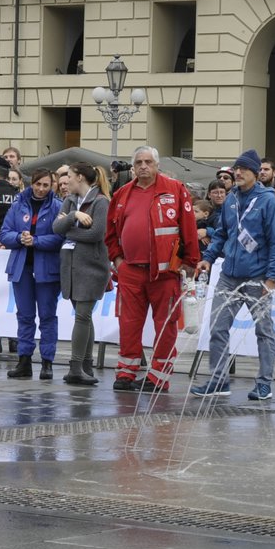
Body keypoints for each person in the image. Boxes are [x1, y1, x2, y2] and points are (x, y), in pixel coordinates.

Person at [104, 145, 200, 393]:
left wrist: (190, 261)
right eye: (139, 162)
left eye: (148, 162)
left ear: (157, 165)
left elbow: (188, 227)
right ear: (133, 167)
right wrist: (118, 261)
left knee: (165, 326)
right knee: (128, 324)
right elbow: (111, 233)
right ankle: (126, 372)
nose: (143, 166)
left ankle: (158, 377)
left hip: (165, 273)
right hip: (131, 272)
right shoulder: (122, 194)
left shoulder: (175, 190)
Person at [192, 151, 275, 402]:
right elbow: (221, 233)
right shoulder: (231, 200)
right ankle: (219, 380)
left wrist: (272, 277)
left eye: (244, 169)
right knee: (218, 327)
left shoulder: (267, 201)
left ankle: (264, 383)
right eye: (236, 168)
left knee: (264, 331)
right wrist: (208, 258)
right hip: (228, 275)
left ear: (256, 173)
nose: (238, 172)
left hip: (257, 277)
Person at [0, 168, 63, 380]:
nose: (42, 189)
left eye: (46, 185)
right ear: (31, 184)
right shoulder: (18, 205)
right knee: (25, 316)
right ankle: (24, 361)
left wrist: (36, 241)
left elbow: (60, 238)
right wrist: (20, 238)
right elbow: (4, 233)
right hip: (22, 268)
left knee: (47, 316)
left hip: (47, 270)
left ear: (52, 185)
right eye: (38, 184)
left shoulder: (58, 207)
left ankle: (47, 362)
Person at [53, 162, 110, 387]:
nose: (66, 181)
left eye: (69, 176)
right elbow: (56, 229)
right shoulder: (70, 201)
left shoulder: (101, 201)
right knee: (83, 315)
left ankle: (76, 367)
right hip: (71, 265)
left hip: (91, 267)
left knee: (82, 316)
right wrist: (74, 215)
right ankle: (86, 364)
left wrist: (69, 230)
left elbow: (97, 233)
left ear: (79, 178)